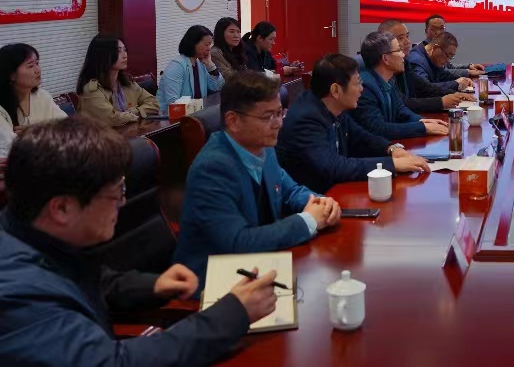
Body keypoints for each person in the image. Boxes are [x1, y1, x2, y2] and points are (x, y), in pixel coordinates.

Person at [0, 116, 278, 366]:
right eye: (115, 193)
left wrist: (154, 285)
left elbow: (88, 280)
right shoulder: (16, 292)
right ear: (62, 208)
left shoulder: (34, 233)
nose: (122, 203)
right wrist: (233, 315)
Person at [174, 71, 341, 285]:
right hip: (214, 283)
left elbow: (290, 191)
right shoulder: (212, 168)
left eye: (280, 113)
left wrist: (322, 205)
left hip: (260, 268)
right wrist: (308, 220)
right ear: (233, 120)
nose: (278, 123)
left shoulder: (263, 148)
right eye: (267, 116)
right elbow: (239, 242)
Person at [278, 54, 429, 192]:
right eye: (357, 83)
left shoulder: (332, 105)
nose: (362, 89)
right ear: (336, 90)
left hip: (336, 191)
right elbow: (333, 166)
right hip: (315, 201)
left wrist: (391, 149)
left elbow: (360, 136)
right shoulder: (306, 119)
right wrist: (392, 165)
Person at [354, 31, 449, 140]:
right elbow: (378, 128)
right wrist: (422, 128)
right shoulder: (365, 88)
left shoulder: (389, 79)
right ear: (385, 59)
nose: (403, 54)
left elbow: (400, 109)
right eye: (399, 50)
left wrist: (421, 120)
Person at [378, 19, 470, 112]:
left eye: (407, 36)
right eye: (401, 38)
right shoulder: (413, 60)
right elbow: (401, 103)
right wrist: (441, 102)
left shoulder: (404, 62)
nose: (407, 42)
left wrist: (455, 94)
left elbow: (424, 86)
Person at [0, 43, 67, 158]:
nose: (38, 70)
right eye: (30, 66)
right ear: (11, 75)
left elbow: (67, 126)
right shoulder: (2, 107)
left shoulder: (42, 96)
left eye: (37, 63)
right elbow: (11, 150)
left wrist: (37, 131)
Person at [76, 34, 160, 126]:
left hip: (131, 132)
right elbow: (111, 119)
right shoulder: (91, 90)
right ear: (103, 55)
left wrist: (133, 111)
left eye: (125, 50)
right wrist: (136, 113)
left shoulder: (127, 82)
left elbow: (155, 103)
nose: (125, 55)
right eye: (118, 51)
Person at [159, 25, 224, 107]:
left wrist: (210, 65)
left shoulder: (200, 65)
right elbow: (172, 102)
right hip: (178, 114)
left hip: (198, 112)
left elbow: (218, 87)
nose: (209, 49)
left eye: (210, 45)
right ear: (193, 43)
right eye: (206, 45)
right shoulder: (176, 66)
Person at [407, 31, 476, 91]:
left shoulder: (431, 57)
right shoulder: (416, 61)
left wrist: (463, 80)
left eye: (451, 57)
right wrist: (456, 84)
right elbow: (425, 88)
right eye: (447, 55)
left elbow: (442, 75)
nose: (447, 60)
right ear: (435, 48)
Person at [420, 14, 484, 76]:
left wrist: (469, 66)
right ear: (426, 32)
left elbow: (449, 66)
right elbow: (441, 72)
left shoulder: (442, 46)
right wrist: (467, 72)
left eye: (441, 28)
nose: (438, 32)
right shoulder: (424, 50)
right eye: (433, 29)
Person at [210, 16, 247, 81]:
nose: (236, 35)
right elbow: (228, 78)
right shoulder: (215, 53)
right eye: (232, 32)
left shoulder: (238, 50)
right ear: (221, 33)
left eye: (238, 32)